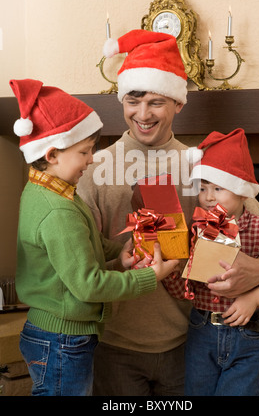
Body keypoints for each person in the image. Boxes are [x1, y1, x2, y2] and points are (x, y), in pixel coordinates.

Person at [77, 29, 259, 396]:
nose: (143, 113)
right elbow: (78, 263)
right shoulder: (92, 168)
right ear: (121, 99)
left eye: (157, 102)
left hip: (192, 344)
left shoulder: (206, 167)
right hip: (115, 346)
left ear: (179, 103)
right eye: (133, 100)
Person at [10, 78, 178, 397]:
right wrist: (148, 277)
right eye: (85, 151)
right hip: (63, 339)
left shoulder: (48, 192)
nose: (91, 160)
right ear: (53, 153)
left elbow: (86, 245)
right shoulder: (58, 210)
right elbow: (89, 285)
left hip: (52, 332)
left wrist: (122, 253)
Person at [163, 128, 259, 396]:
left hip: (248, 335)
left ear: (242, 192)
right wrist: (168, 269)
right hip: (201, 332)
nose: (208, 197)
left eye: (218, 188)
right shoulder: (195, 231)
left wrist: (257, 297)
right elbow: (183, 292)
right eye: (203, 188)